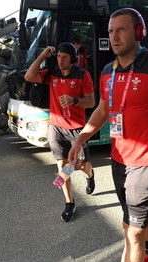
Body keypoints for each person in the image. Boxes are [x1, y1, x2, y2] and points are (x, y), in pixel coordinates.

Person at [68, 8, 148, 262]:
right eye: (111, 31)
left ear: (139, 32)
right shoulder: (106, 71)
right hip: (119, 159)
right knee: (137, 217)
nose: (114, 36)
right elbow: (103, 110)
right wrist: (80, 139)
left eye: (121, 30)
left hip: (147, 163)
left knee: (131, 230)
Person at [24, 42, 96, 222]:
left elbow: (92, 102)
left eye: (64, 57)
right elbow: (29, 75)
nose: (60, 60)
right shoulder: (52, 74)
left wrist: (74, 101)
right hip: (55, 127)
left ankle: (90, 174)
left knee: (81, 165)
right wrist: (43, 55)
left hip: (76, 129)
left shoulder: (82, 75)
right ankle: (69, 202)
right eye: (58, 56)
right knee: (62, 165)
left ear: (72, 59)